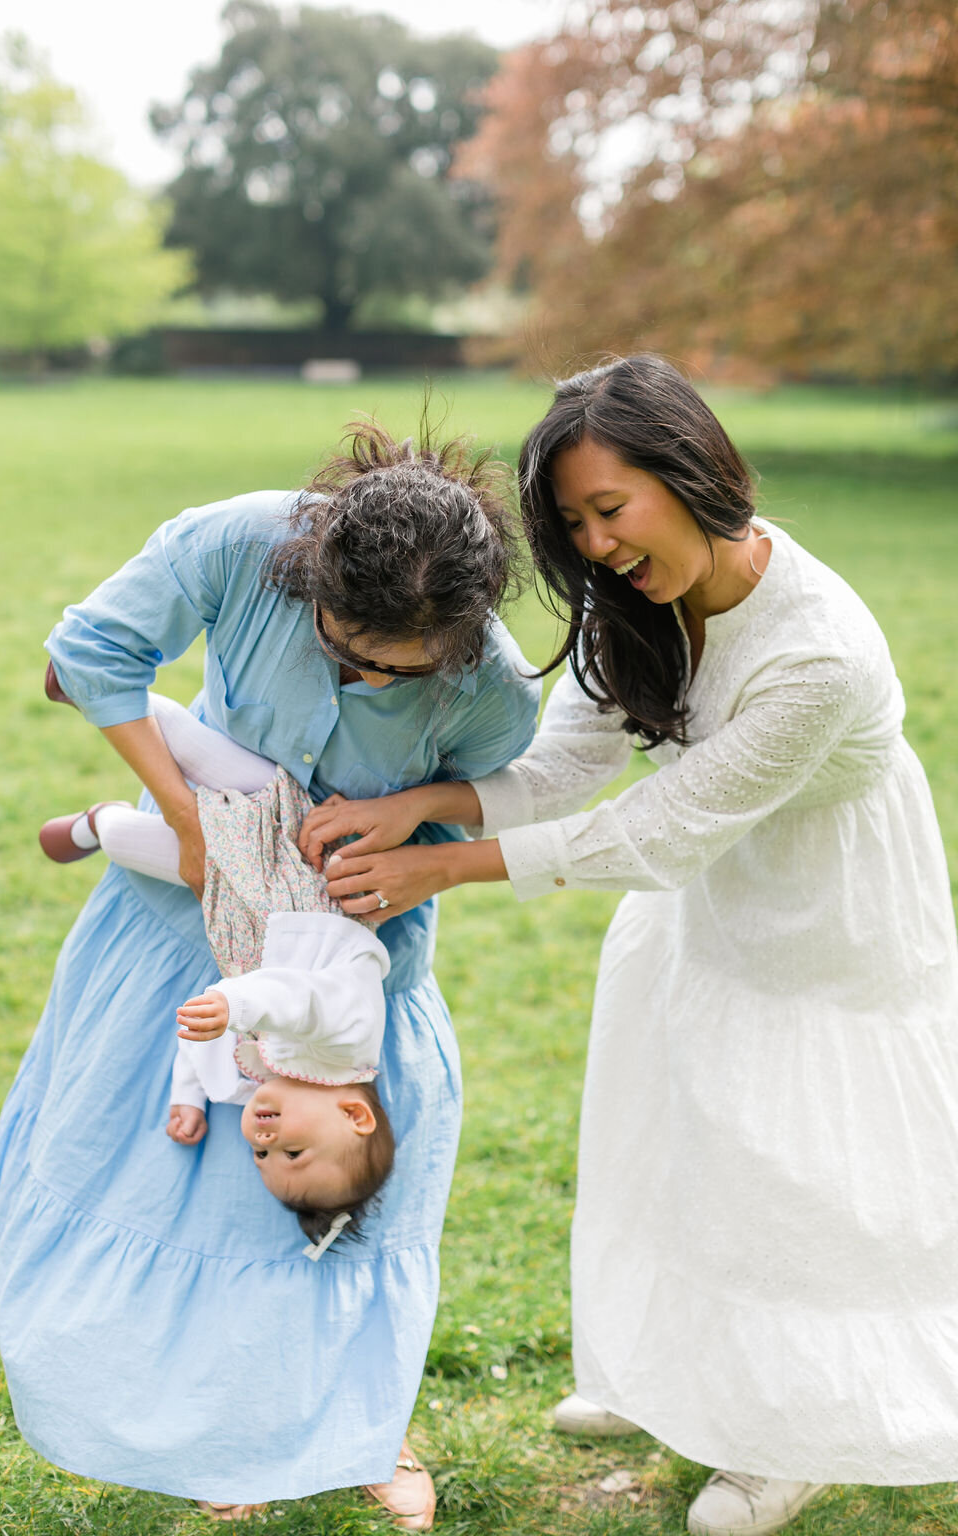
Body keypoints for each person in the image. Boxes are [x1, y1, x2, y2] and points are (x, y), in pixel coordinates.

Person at [298, 357, 958, 1536]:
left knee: (800, 1166)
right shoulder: (638, 604)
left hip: (828, 915)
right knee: (686, 1136)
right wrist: (430, 806)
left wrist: (439, 865)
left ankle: (786, 1436)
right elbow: (568, 769)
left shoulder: (818, 652)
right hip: (707, 902)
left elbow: (659, 826)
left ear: (693, 474)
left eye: (611, 510)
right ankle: (676, 1373)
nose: (595, 546)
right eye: (573, 524)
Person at [0, 423, 540, 1528]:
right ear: (313, 573)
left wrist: (421, 829)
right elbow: (89, 656)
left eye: (393, 671)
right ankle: (225, 1425)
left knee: (338, 1195)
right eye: (345, 646)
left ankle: (365, 1424)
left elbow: (523, 791)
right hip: (178, 929)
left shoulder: (493, 687)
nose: (362, 674)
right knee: (198, 1182)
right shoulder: (239, 540)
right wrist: (186, 820)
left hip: (348, 970)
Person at [40, 692, 395, 1243]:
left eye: (260, 1154)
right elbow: (298, 999)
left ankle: (96, 822)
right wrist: (235, 1004)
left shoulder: (254, 1078)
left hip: (233, 899)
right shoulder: (348, 1044)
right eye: (292, 1150)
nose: (263, 1139)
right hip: (300, 864)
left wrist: (189, 1096)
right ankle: (98, 685)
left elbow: (202, 1043)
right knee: (188, 740)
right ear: (356, 1116)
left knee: (127, 841)